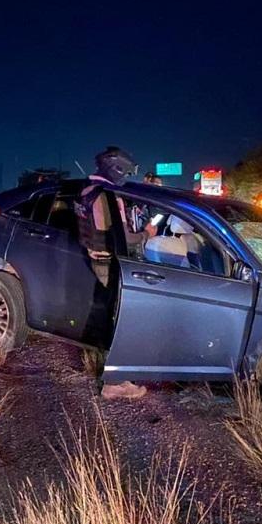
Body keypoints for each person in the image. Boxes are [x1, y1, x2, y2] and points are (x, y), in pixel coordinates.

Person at [75, 146, 156, 400]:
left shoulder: (86, 190)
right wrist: (148, 234)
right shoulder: (109, 195)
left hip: (92, 260)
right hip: (109, 264)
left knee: (102, 318)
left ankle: (102, 367)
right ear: (117, 169)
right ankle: (115, 382)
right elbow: (126, 239)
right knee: (119, 322)